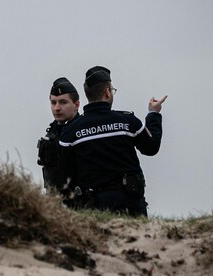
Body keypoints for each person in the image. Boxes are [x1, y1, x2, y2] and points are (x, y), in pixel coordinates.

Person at [57, 66, 167, 217]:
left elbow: (66, 176)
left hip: (93, 208)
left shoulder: (70, 132)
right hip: (131, 204)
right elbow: (151, 147)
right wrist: (153, 114)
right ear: (107, 92)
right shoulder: (128, 122)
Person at [37, 77, 80, 192]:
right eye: (53, 103)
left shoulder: (83, 132)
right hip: (54, 200)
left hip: (79, 200)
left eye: (63, 102)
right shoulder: (51, 133)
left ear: (76, 105)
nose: (57, 108)